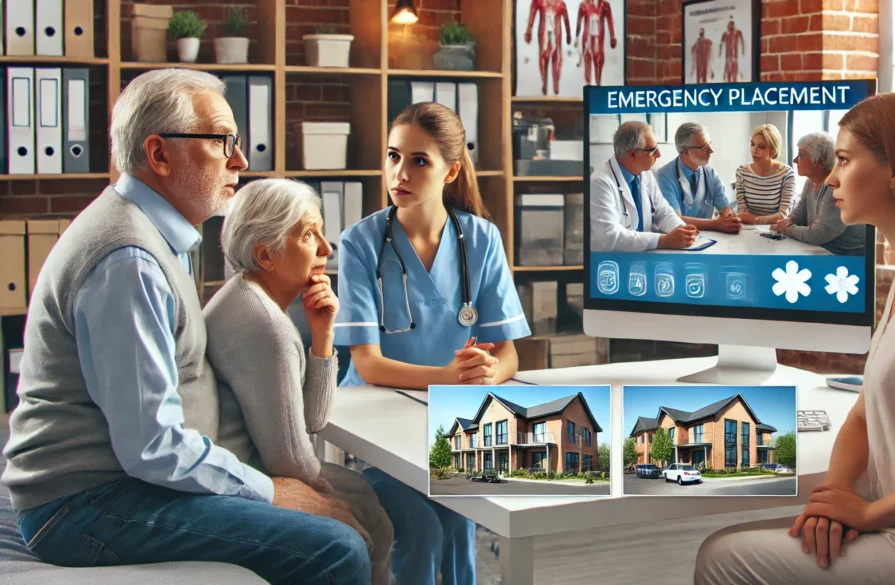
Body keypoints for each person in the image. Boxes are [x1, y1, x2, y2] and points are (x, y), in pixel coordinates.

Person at [0, 69, 371, 583]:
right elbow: (151, 447)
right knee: (336, 549)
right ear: (159, 155)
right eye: (222, 141)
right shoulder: (128, 260)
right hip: (85, 502)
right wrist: (271, 491)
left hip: (112, 484)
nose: (240, 160)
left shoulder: (154, 236)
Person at [695, 91, 895, 584]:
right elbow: (863, 416)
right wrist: (834, 497)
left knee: (723, 558)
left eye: (845, 161)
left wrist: (864, 515)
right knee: (726, 546)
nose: (830, 177)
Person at [335, 101, 532, 585]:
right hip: (372, 425)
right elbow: (369, 363)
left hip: (445, 425)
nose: (400, 172)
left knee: (458, 519)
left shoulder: (481, 240)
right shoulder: (360, 244)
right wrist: (447, 378)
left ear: (451, 171)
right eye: (393, 156)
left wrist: (489, 372)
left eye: (419, 160)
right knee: (422, 528)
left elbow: (507, 353)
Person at [204, 178, 395, 585]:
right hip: (246, 476)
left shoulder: (248, 296)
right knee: (372, 523)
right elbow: (291, 460)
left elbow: (310, 419)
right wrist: (329, 503)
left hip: (252, 463)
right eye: (309, 235)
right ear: (266, 254)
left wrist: (323, 336)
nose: (326, 249)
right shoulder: (265, 325)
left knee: (364, 499)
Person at [590, 121, 700, 252]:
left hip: (644, 256)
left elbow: (663, 212)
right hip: (612, 261)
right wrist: (664, 240)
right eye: (653, 150)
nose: (659, 154)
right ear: (632, 155)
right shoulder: (600, 182)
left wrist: (681, 229)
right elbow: (610, 237)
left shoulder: (645, 173)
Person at [773, 132, 866, 256]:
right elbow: (799, 215)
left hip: (844, 259)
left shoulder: (835, 187)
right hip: (822, 252)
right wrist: (788, 221)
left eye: (801, 156)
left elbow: (817, 234)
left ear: (820, 162)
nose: (795, 160)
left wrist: (787, 229)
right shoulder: (810, 183)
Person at [655, 122, 741, 234]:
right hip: (677, 238)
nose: (711, 150)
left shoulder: (711, 173)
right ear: (685, 151)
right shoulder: (664, 175)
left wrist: (729, 217)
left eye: (710, 144)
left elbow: (724, 206)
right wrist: (716, 224)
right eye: (704, 147)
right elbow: (673, 219)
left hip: (709, 238)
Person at [734, 123, 796, 225]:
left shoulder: (786, 174)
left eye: (761, 147)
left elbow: (783, 215)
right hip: (748, 230)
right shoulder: (741, 172)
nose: (754, 151)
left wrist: (755, 220)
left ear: (773, 150)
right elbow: (742, 212)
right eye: (752, 144)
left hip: (775, 231)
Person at [525, 0, 571, 96]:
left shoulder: (561, 4)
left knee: (556, 56)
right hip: (544, 32)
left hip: (556, 33)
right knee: (543, 55)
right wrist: (529, 30)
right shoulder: (540, 2)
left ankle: (556, 83)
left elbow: (566, 20)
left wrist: (568, 34)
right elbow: (532, 12)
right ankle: (544, 82)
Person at [574, 0, 616, 86]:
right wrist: (577, 37)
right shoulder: (583, 5)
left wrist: (612, 36)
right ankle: (588, 84)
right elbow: (579, 23)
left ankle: (598, 85)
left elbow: (609, 20)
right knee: (587, 59)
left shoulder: (605, 5)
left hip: (598, 38)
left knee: (599, 60)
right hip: (587, 38)